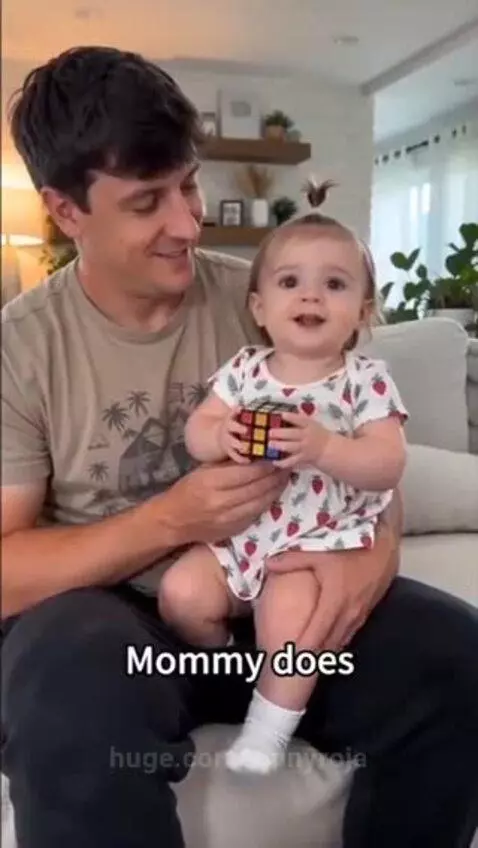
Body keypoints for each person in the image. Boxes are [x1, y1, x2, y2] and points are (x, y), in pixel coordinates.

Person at [1, 45, 477, 848]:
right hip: (116, 624)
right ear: (66, 210)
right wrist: (170, 521)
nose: (188, 222)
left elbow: (373, 460)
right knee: (64, 694)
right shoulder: (22, 347)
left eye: (188, 183)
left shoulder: (274, 297)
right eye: (149, 201)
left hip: (284, 587)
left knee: (461, 662)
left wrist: (370, 559)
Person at [158, 181, 408, 775]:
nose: (311, 296)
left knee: (287, 626)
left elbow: (388, 464)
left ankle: (267, 730)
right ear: (260, 308)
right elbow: (200, 428)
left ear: (362, 313)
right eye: (290, 282)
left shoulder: (363, 380)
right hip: (243, 533)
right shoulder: (246, 368)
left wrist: (325, 446)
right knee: (180, 594)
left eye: (335, 284)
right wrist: (220, 437)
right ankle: (229, 661)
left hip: (312, 542)